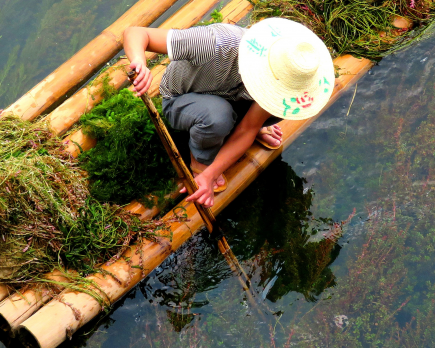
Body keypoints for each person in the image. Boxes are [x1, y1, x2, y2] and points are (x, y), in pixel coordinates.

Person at [123, 17, 335, 208]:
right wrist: (140, 63)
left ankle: (236, 122)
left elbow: (247, 129)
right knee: (218, 117)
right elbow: (136, 32)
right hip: (183, 98)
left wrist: (212, 174)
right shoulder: (215, 44)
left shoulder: (281, 77)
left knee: (279, 108)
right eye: (273, 85)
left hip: (233, 95)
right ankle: (200, 158)